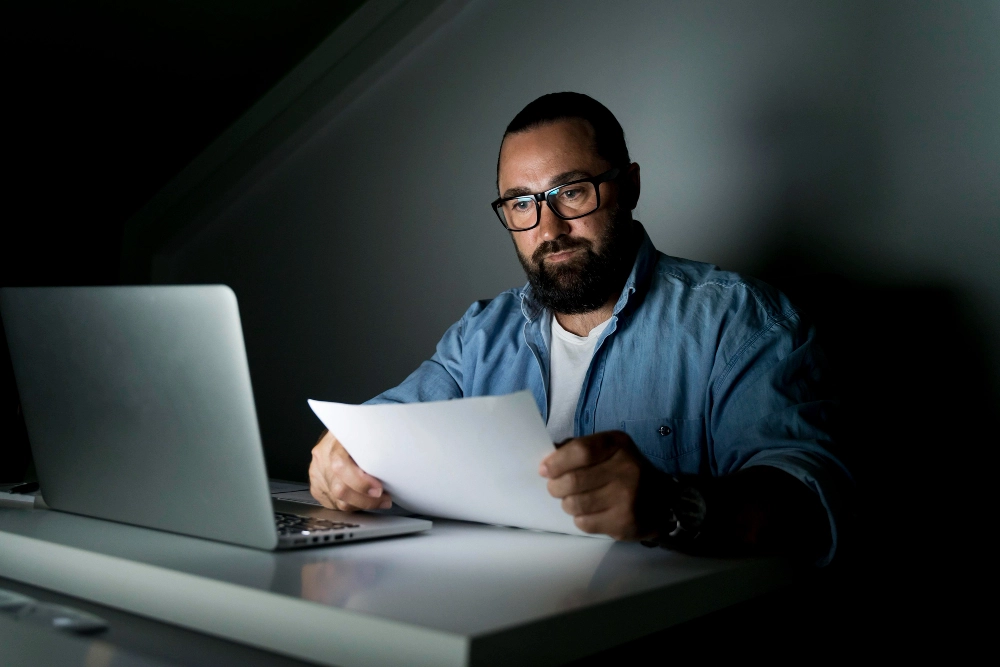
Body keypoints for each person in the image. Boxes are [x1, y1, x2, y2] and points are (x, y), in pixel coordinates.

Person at [309, 92, 849, 564]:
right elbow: (377, 430)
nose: (548, 229)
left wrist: (670, 504)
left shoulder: (740, 322)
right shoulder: (481, 336)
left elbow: (814, 502)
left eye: (571, 192)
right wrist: (339, 458)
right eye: (522, 203)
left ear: (629, 186)